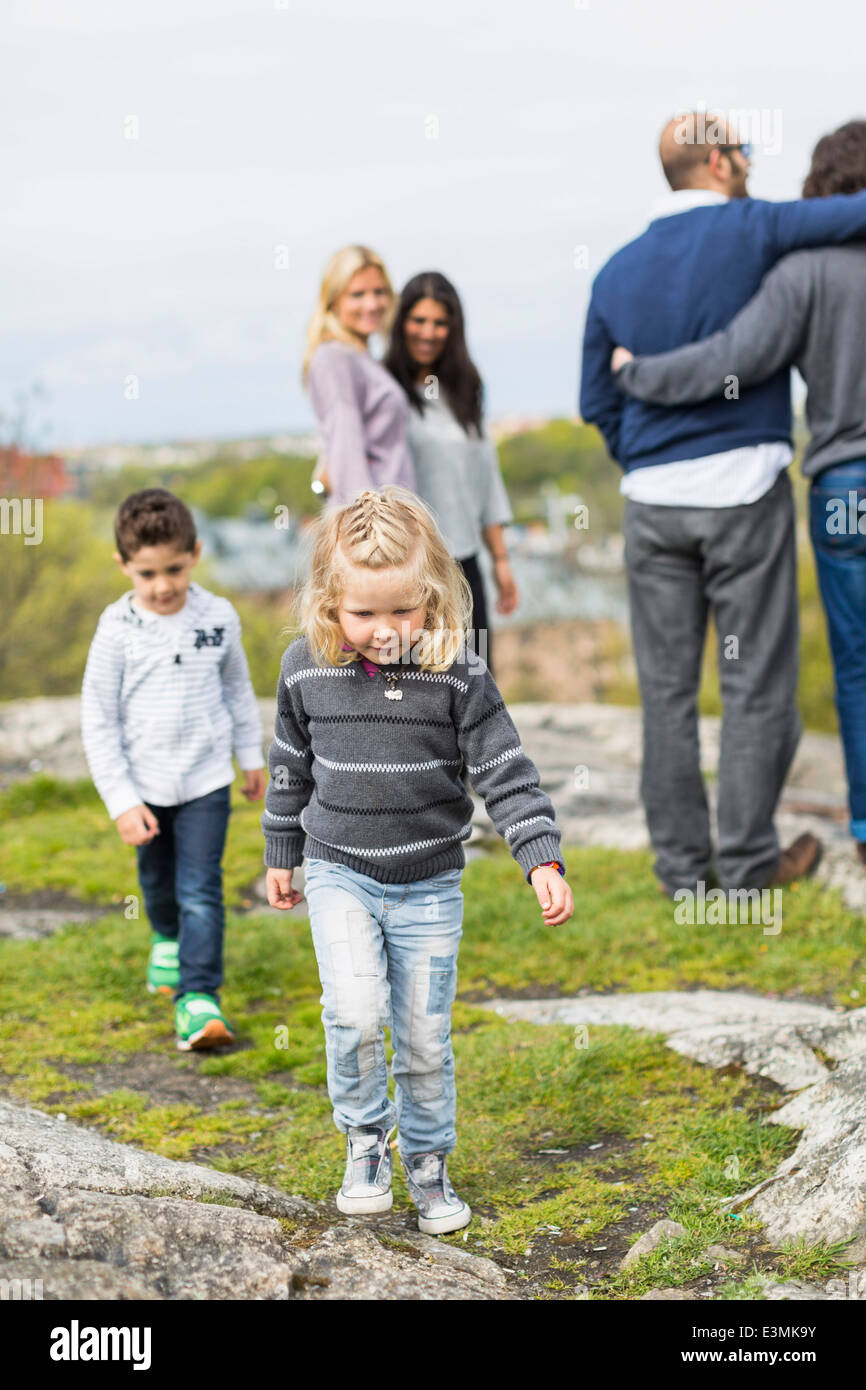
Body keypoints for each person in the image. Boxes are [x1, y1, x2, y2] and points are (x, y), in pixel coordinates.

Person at [260, 485, 573, 1234]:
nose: (385, 630)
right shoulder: (305, 670)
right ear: (330, 601)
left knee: (425, 1036)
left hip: (430, 884)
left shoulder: (459, 674)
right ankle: (366, 1142)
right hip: (340, 874)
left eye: (404, 611)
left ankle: (429, 1163)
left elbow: (506, 770)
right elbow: (288, 765)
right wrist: (282, 850)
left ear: (432, 596)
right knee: (356, 1014)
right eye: (363, 613)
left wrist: (541, 858)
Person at [579, 111, 866, 897]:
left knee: (666, 694)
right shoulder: (754, 228)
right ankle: (744, 869)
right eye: (743, 149)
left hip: (651, 505)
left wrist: (642, 458)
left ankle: (681, 874)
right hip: (743, 493)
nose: (749, 161)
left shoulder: (615, 270)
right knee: (755, 688)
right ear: (717, 161)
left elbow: (595, 398)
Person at [80, 489, 266, 1050]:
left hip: (206, 780)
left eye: (175, 569)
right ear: (124, 566)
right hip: (143, 787)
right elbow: (98, 719)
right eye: (148, 573)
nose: (163, 586)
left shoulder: (219, 617)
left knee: (201, 891)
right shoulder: (116, 630)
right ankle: (165, 938)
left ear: (196, 554)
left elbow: (236, 689)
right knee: (157, 885)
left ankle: (198, 997)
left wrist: (250, 756)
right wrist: (121, 800)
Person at [383, 271, 517, 678]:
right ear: (401, 322)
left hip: (464, 564)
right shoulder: (383, 388)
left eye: (440, 323)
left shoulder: (467, 387)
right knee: (416, 694)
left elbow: (485, 475)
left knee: (476, 681)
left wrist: (501, 560)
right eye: (418, 320)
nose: (429, 332)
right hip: (408, 568)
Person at [303, 245, 415, 508]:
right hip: (375, 531)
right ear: (334, 300)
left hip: (393, 521)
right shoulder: (335, 358)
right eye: (357, 294)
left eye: (379, 292)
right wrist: (368, 535)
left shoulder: (363, 358)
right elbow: (346, 451)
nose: (372, 304)